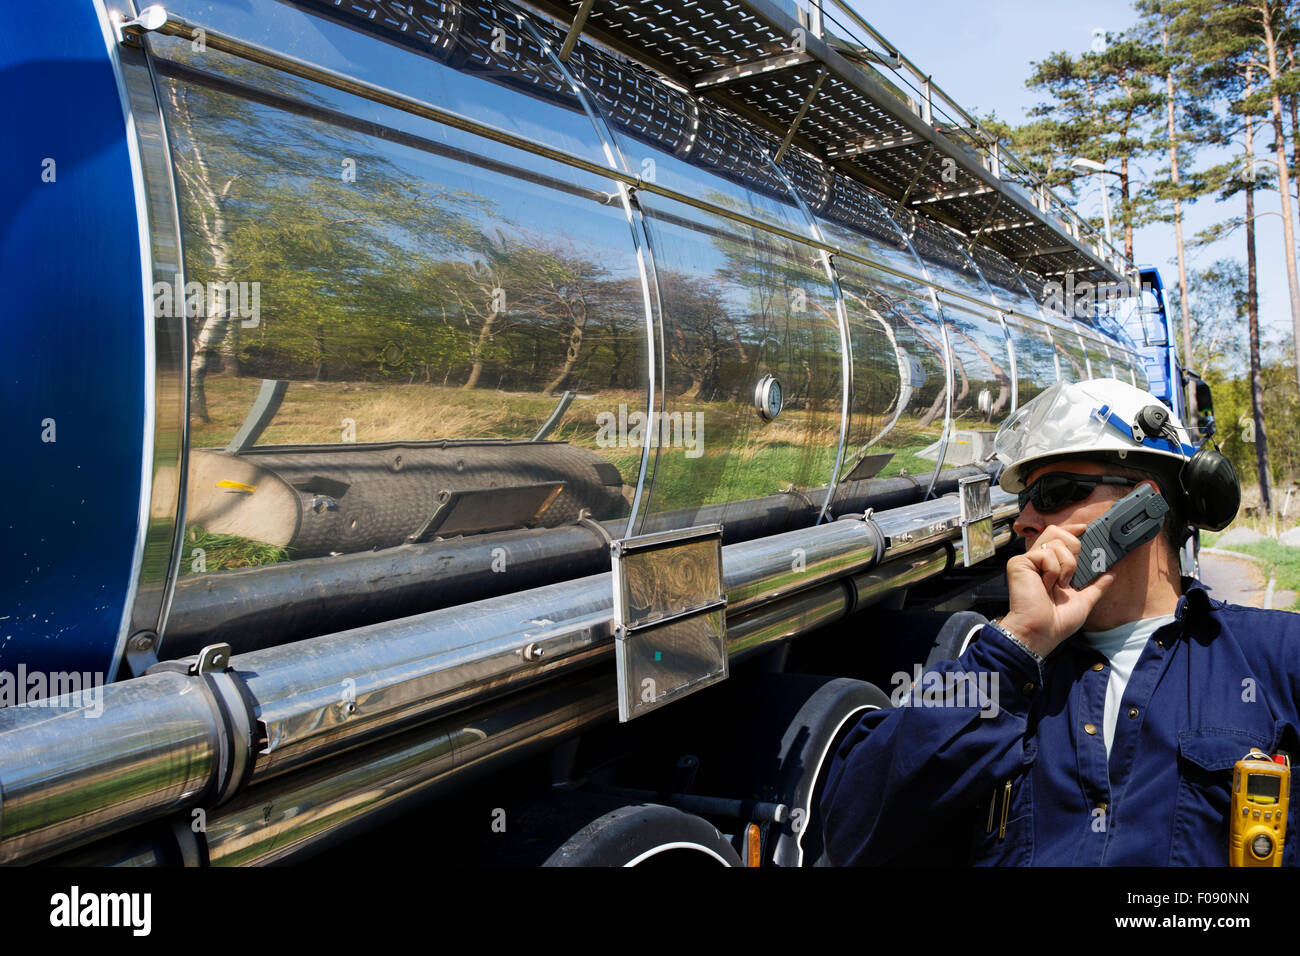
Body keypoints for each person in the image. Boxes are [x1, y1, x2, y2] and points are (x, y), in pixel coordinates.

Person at [820, 377, 1300, 866]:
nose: (1023, 521)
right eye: (1023, 500)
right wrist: (1015, 647)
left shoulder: (1276, 659)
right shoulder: (996, 673)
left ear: (1142, 507)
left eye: (1053, 492)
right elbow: (851, 834)